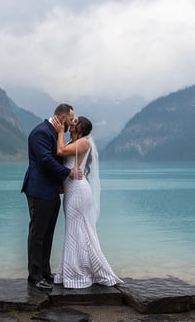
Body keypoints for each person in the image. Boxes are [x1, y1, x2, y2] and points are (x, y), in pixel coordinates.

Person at [51, 115, 123, 288]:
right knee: (74, 231)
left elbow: (60, 151)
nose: (71, 123)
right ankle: (71, 269)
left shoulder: (84, 142)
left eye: (74, 122)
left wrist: (60, 132)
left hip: (78, 191)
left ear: (81, 128)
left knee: (81, 230)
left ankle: (83, 271)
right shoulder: (73, 141)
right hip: (71, 190)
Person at [21, 103, 82, 291]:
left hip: (52, 190)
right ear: (62, 118)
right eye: (71, 119)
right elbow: (46, 160)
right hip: (39, 190)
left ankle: (45, 272)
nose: (73, 123)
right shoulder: (40, 132)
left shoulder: (55, 133)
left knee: (48, 234)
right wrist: (68, 173)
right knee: (38, 234)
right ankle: (35, 276)